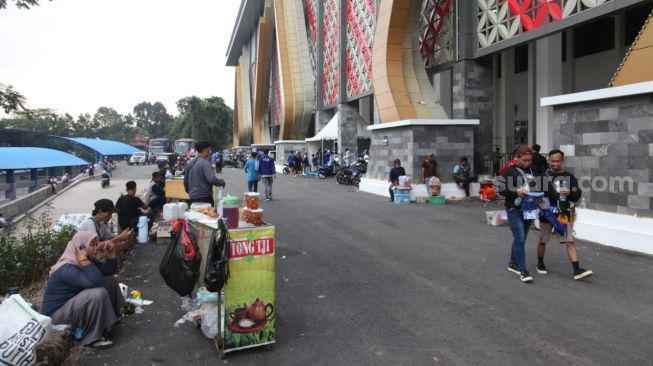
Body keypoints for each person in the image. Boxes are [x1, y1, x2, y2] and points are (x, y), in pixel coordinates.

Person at [41, 231, 124, 349]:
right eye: (92, 245)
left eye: (96, 244)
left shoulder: (85, 260)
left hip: (70, 306)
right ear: (80, 247)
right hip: (55, 317)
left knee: (109, 281)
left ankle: (111, 318)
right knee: (97, 293)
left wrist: (111, 254)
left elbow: (107, 271)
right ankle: (92, 338)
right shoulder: (67, 268)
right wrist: (84, 261)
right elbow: (95, 282)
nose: (96, 248)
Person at [536, 149, 593, 280]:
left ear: (563, 161)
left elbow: (577, 195)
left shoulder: (569, 177)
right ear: (549, 160)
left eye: (558, 161)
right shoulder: (542, 177)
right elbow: (534, 196)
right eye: (553, 161)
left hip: (564, 214)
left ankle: (577, 270)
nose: (555, 164)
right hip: (547, 214)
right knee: (543, 241)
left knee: (569, 241)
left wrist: (570, 193)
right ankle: (540, 263)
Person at [499, 146, 537, 283]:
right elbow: (501, 190)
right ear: (518, 158)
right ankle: (523, 270)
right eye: (525, 160)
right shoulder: (509, 172)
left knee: (521, 238)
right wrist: (516, 192)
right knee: (520, 238)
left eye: (530, 160)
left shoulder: (533, 170)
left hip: (530, 207)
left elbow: (538, 185)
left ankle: (512, 263)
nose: (527, 163)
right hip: (514, 208)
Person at [186, 140, 226, 206]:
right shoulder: (205, 163)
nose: (210, 151)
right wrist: (221, 182)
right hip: (204, 198)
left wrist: (190, 192)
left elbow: (185, 181)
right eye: (209, 149)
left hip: (192, 198)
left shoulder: (190, 163)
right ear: (205, 150)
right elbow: (211, 179)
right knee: (206, 215)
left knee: (195, 215)